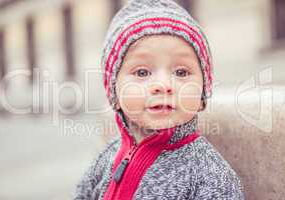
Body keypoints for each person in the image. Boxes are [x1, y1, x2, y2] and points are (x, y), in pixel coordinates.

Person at [73, 0, 245, 199]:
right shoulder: (106, 158)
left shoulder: (209, 176)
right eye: (142, 72)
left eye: (181, 72)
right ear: (115, 94)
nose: (163, 85)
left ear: (201, 96)